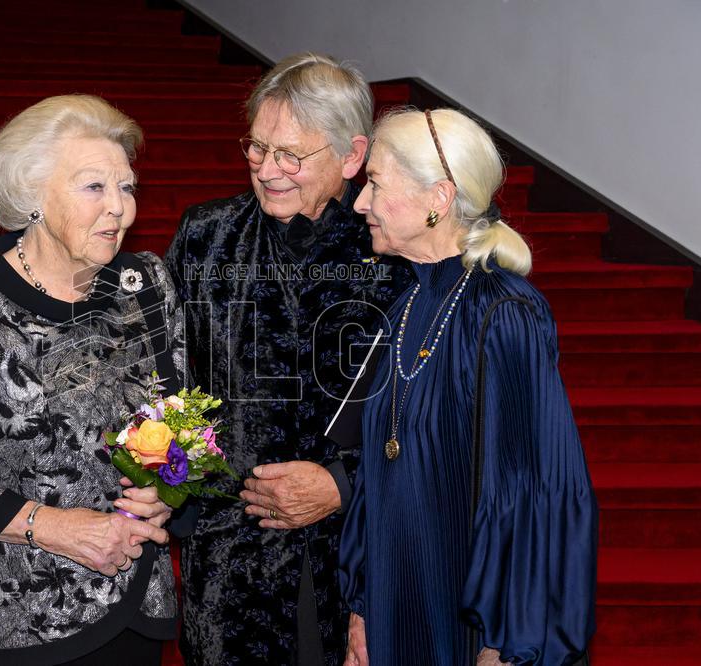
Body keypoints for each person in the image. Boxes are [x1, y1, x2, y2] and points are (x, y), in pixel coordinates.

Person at [0, 94, 187, 665]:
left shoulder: (146, 284)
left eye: (127, 187)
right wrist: (55, 527)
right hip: (3, 617)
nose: (120, 209)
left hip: (132, 601)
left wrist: (168, 491)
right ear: (32, 197)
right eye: (93, 187)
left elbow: (178, 414)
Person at [164, 53, 411, 665]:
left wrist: (343, 484)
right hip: (228, 557)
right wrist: (179, 486)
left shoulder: (396, 253)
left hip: (358, 551)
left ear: (352, 158)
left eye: (291, 156)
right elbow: (164, 380)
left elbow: (434, 409)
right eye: (256, 148)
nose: (267, 170)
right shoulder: (206, 236)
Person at [329, 108, 597, 666]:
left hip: (471, 627)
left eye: (374, 183)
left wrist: (506, 644)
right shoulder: (403, 308)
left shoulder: (506, 313)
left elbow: (533, 493)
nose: (359, 203)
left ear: (439, 198)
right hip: (396, 611)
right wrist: (361, 609)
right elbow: (382, 472)